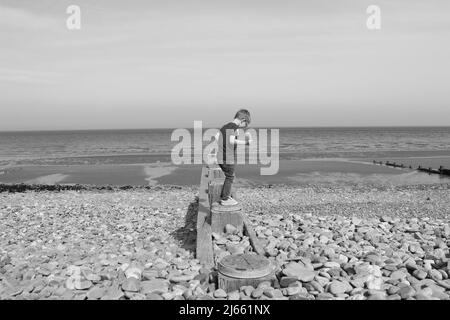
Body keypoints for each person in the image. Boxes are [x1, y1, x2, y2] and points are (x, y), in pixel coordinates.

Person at [216, 109, 252, 205]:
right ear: (243, 120)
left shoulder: (225, 126)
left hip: (220, 156)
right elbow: (231, 141)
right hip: (227, 157)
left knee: (228, 176)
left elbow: (217, 137)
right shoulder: (234, 127)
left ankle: (225, 196)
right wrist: (246, 143)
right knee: (230, 177)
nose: (244, 127)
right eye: (246, 124)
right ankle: (225, 199)